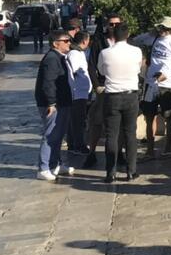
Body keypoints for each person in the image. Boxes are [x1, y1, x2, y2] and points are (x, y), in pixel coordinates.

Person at [99, 23, 144, 183]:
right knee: (130, 133)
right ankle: (131, 171)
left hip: (112, 96)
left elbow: (102, 71)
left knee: (111, 135)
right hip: (130, 95)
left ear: (112, 35)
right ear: (128, 34)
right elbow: (139, 70)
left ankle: (110, 173)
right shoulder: (136, 51)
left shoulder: (105, 53)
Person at [142, 16, 171, 159]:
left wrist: (168, 74)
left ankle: (168, 147)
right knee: (149, 116)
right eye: (160, 27)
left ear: (170, 30)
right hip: (151, 83)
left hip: (167, 85)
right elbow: (137, 40)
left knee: (168, 115)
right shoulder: (154, 39)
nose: (161, 30)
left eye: (164, 28)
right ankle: (150, 149)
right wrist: (150, 33)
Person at [34, 30, 75, 181]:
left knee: (58, 135)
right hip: (53, 104)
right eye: (66, 41)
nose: (69, 43)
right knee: (51, 135)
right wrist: (51, 102)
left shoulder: (61, 58)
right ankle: (43, 167)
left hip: (63, 102)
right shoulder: (51, 59)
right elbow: (48, 83)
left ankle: (55, 164)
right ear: (55, 43)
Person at [83, 13, 122, 169]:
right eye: (111, 24)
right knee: (97, 122)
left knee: (120, 124)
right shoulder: (99, 41)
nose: (113, 27)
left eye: (116, 24)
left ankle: (120, 154)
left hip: (120, 86)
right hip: (103, 86)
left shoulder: (127, 42)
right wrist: (96, 85)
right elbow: (91, 65)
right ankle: (92, 153)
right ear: (107, 25)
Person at [66, 31, 93, 155]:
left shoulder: (79, 53)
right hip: (78, 92)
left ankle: (74, 144)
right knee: (78, 121)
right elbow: (76, 71)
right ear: (84, 41)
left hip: (82, 92)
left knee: (77, 119)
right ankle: (78, 145)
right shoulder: (74, 54)